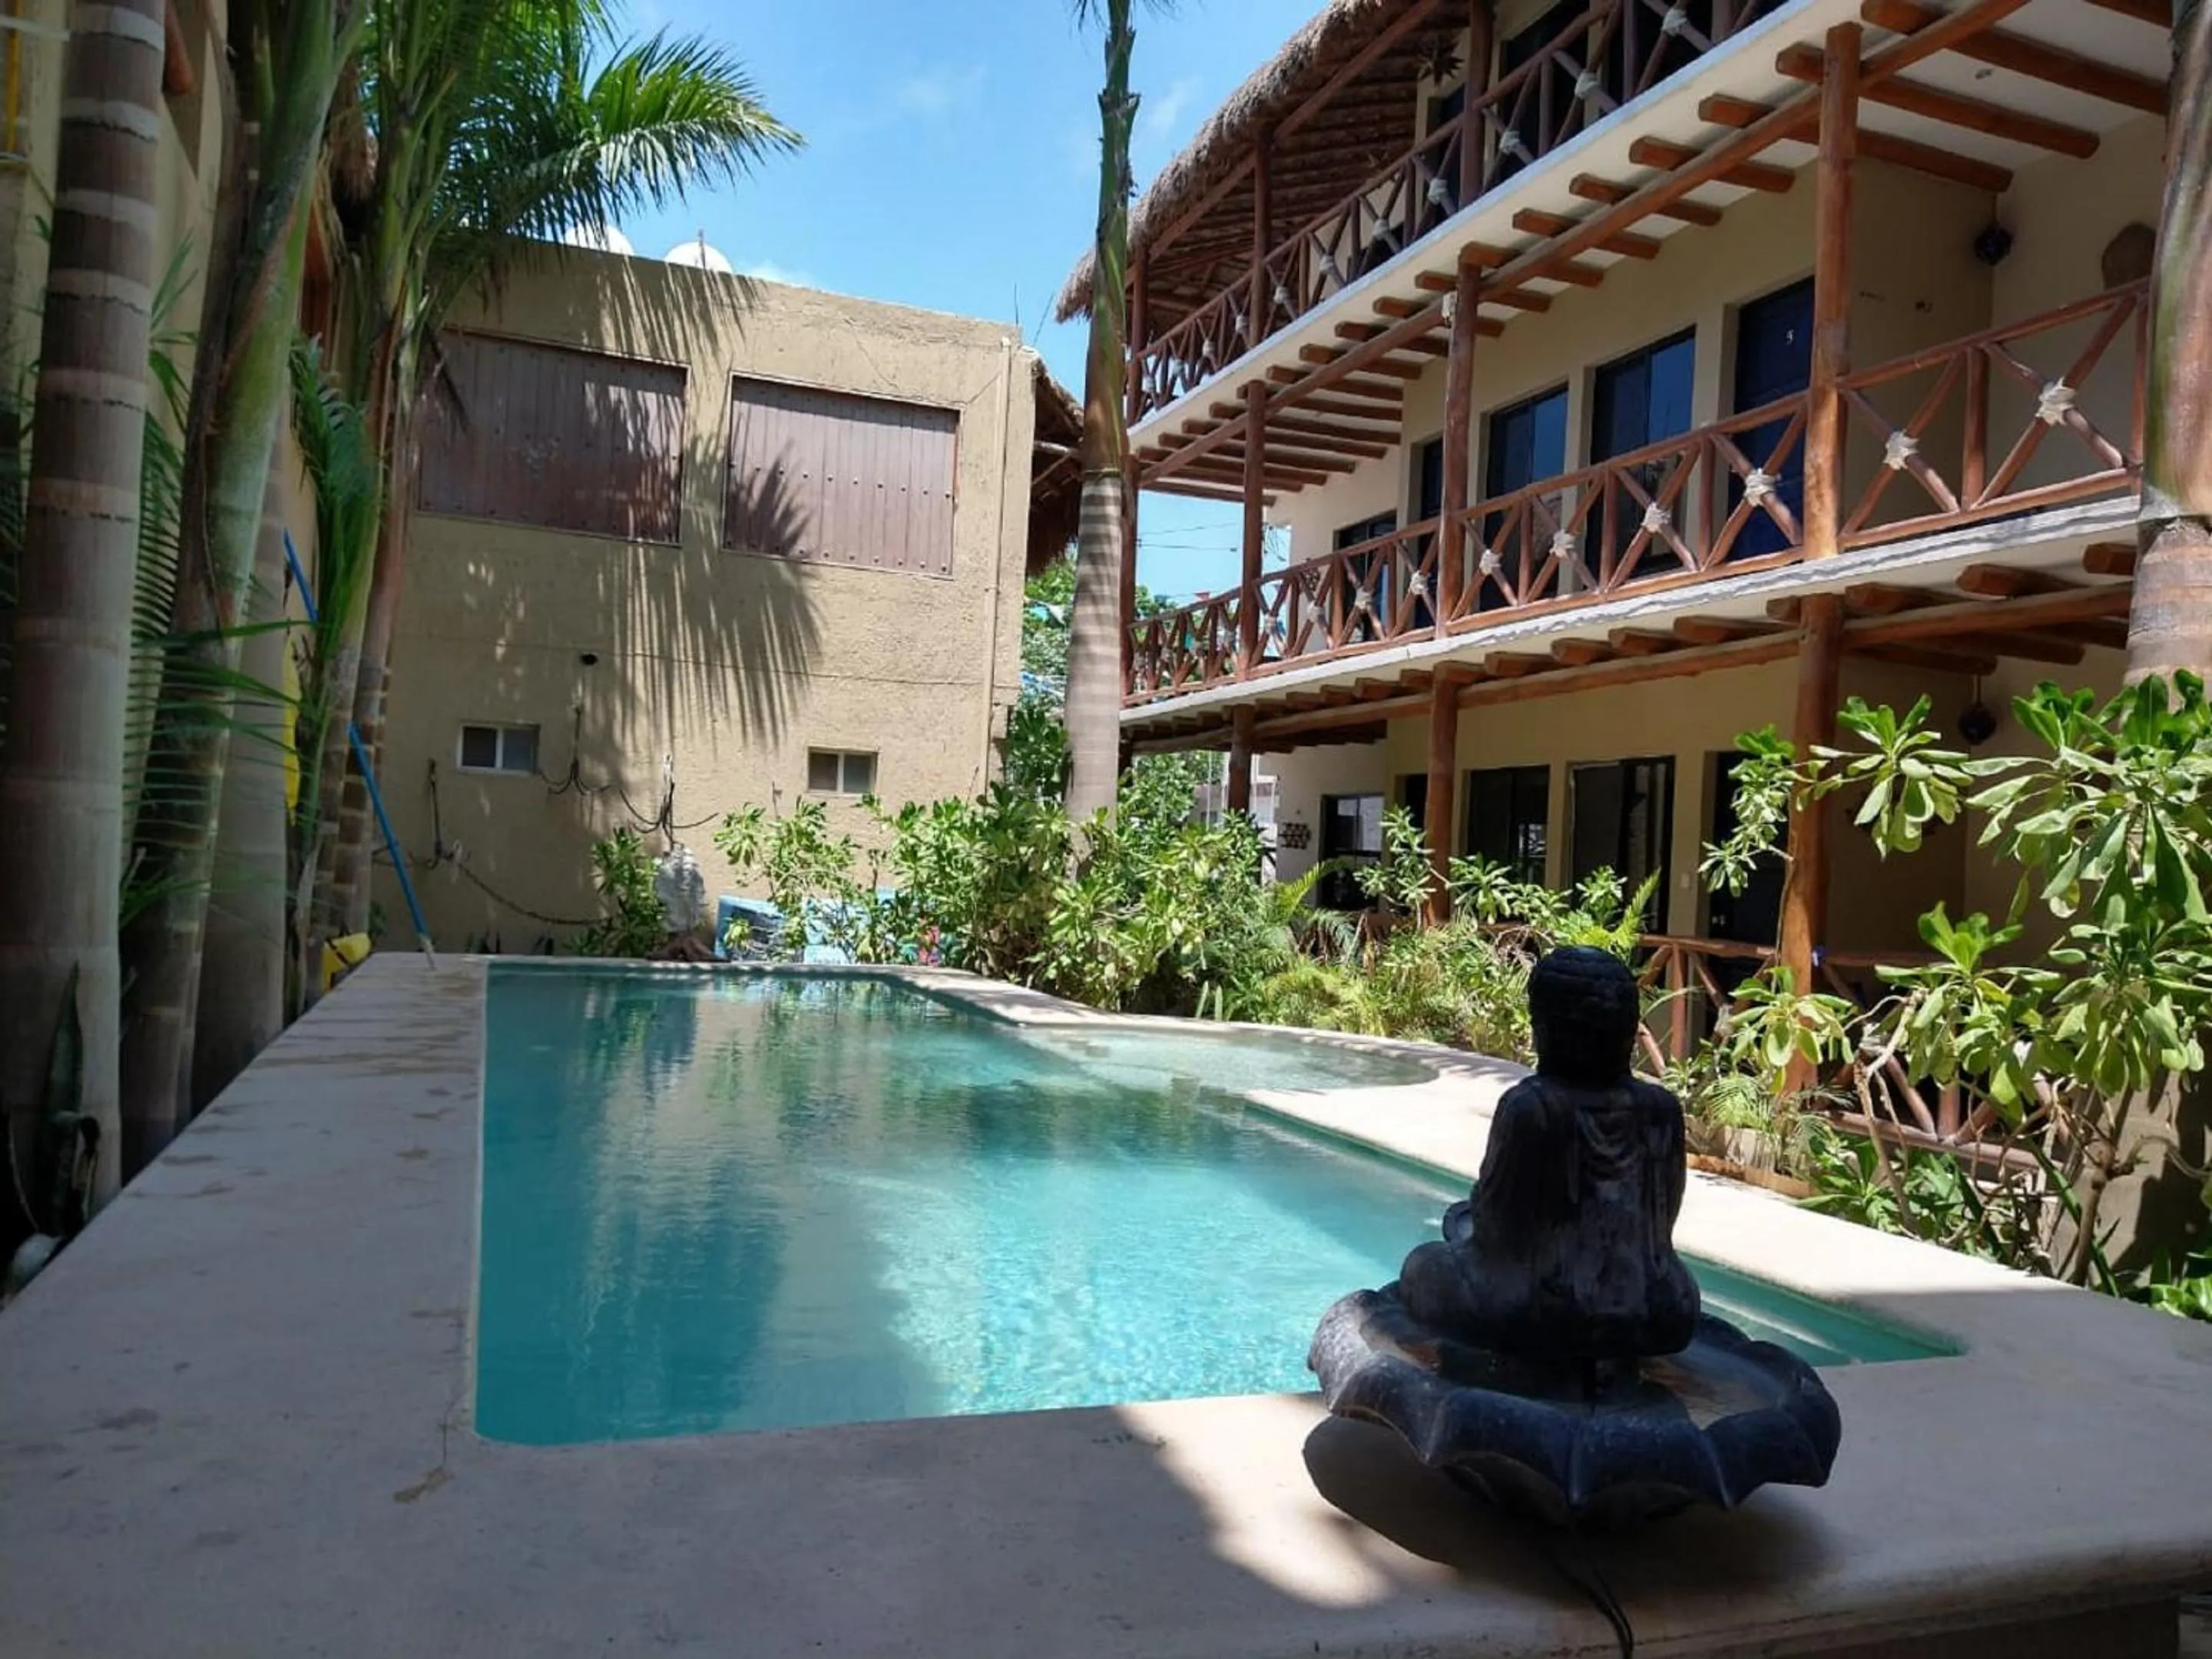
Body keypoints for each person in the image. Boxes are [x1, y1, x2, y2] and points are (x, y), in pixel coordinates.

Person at [1396, 946, 1700, 1362]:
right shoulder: (1661, 1108)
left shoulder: (1532, 1107)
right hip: (1656, 1311)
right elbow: (1660, 1225)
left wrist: (1473, 1219)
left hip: (1544, 1311)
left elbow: (1498, 1227)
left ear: (1547, 1029)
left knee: (1423, 1264)